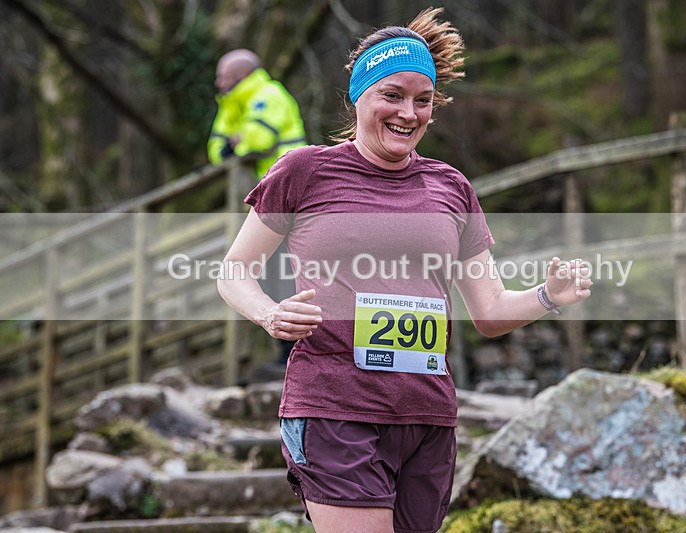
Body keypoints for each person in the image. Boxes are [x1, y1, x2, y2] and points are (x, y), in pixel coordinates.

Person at [217, 8, 592, 533]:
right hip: (334, 406)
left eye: (423, 100)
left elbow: (488, 311)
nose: (408, 113)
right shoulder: (305, 171)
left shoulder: (451, 187)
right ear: (358, 95)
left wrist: (548, 296)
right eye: (391, 96)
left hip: (426, 417)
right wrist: (269, 314)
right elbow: (234, 271)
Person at [207, 48, 307, 178]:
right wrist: (235, 145)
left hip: (287, 178)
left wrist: (233, 147)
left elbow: (258, 141)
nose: (218, 83)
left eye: (224, 77)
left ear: (244, 74)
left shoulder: (270, 94)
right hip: (257, 184)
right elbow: (215, 150)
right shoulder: (229, 104)